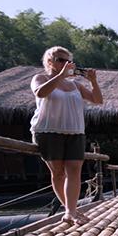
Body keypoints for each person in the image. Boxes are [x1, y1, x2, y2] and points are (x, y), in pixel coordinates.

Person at [30, 46, 103, 225]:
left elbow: (97, 100)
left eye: (68, 60)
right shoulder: (40, 78)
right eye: (61, 60)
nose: (66, 63)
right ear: (50, 62)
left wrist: (93, 81)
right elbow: (40, 92)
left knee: (74, 171)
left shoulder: (75, 85)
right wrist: (61, 75)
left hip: (75, 131)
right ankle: (71, 211)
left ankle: (70, 211)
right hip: (48, 131)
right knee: (58, 173)